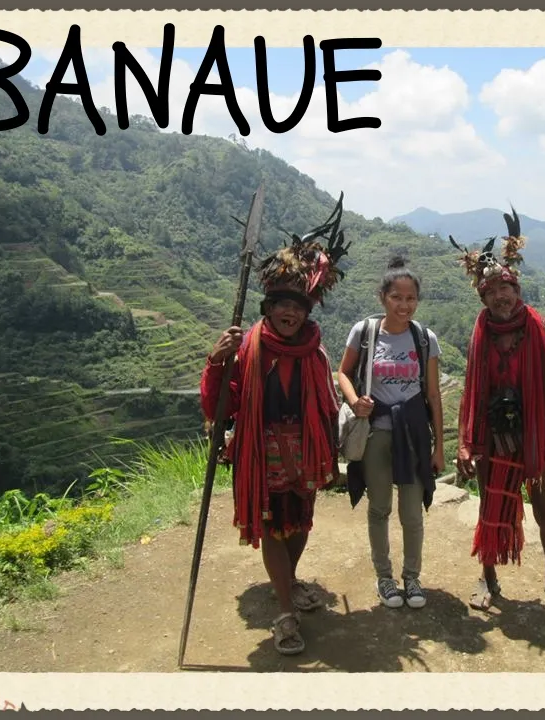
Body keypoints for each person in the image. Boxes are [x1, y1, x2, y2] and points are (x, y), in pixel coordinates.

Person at [200, 195, 349, 656]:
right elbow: (221, 403)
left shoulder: (315, 352)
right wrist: (216, 361)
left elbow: (325, 404)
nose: (291, 313)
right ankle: (284, 612)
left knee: (300, 524)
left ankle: (287, 579)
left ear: (308, 311)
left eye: (298, 307)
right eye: (282, 305)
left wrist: (330, 452)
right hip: (260, 452)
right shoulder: (246, 349)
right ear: (267, 307)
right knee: (271, 527)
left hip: (304, 450)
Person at [450, 207, 545, 612]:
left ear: (517, 287)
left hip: (530, 436)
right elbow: (470, 390)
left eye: (505, 287)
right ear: (483, 296)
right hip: (492, 437)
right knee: (489, 507)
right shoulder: (481, 331)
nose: (500, 296)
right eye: (491, 290)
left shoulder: (541, 327)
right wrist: (465, 442)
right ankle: (488, 576)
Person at [337, 256, 446, 610]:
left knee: (412, 512)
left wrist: (439, 446)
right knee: (379, 507)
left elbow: (432, 394)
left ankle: (411, 577)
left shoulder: (424, 339)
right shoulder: (365, 333)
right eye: (397, 297)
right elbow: (342, 373)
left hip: (413, 434)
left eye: (411, 298)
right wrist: (355, 401)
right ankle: (384, 578)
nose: (405, 305)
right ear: (383, 297)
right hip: (376, 433)